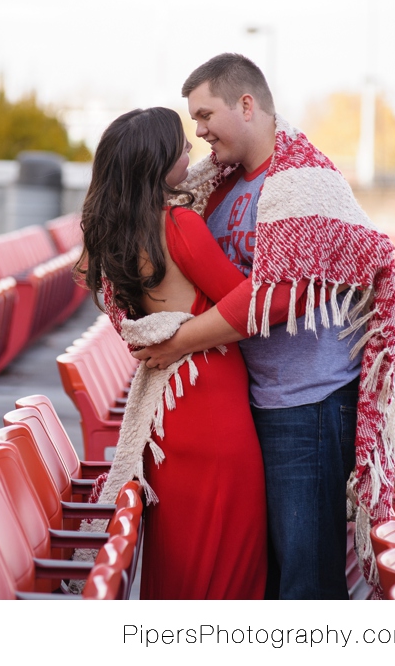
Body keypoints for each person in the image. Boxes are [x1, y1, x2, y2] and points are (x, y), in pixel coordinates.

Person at [133, 54, 395, 600]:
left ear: (247, 105)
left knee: (306, 578)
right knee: (272, 576)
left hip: (310, 405)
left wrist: (177, 341)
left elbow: (282, 297)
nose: (199, 130)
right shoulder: (222, 188)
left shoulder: (304, 178)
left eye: (206, 114)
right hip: (255, 400)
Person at [74, 106, 277, 600]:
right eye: (180, 144)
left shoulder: (119, 231)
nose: (190, 148)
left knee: (180, 558)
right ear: (156, 159)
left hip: (171, 409)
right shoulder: (178, 223)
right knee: (231, 558)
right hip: (211, 401)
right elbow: (244, 299)